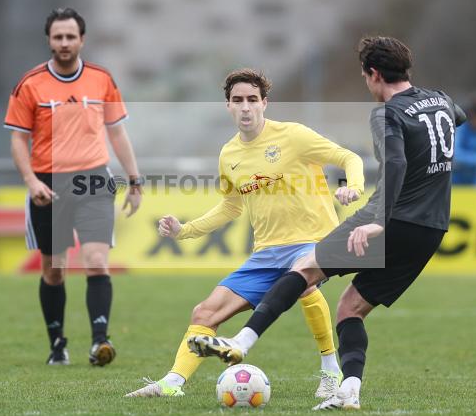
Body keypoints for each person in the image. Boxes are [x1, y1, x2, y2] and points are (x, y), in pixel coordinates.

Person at [190, 36, 466, 411]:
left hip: (389, 219)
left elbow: (397, 164)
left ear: (373, 74)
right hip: (432, 228)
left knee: (304, 269)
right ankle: (348, 390)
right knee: (350, 308)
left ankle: (241, 342)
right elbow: (455, 121)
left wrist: (379, 221)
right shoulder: (440, 100)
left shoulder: (387, 113)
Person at [125, 68, 365, 398]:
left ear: (265, 103)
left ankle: (330, 372)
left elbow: (347, 156)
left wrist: (353, 186)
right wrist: (185, 230)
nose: (245, 107)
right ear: (228, 106)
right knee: (204, 312)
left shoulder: (293, 135)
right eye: (237, 100)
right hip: (267, 252)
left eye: (252, 99)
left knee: (302, 284)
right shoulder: (230, 154)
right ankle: (172, 384)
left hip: (312, 242)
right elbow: (230, 206)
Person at [4, 7, 142, 367]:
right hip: (48, 185)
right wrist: (31, 181)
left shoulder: (101, 80)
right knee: (55, 270)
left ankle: (100, 342)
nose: (64, 43)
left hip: (95, 179)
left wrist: (134, 179)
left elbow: (117, 132)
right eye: (57, 37)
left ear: (82, 39)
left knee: (97, 262)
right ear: (49, 40)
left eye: (70, 36)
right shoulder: (30, 84)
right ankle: (57, 343)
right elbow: (19, 139)